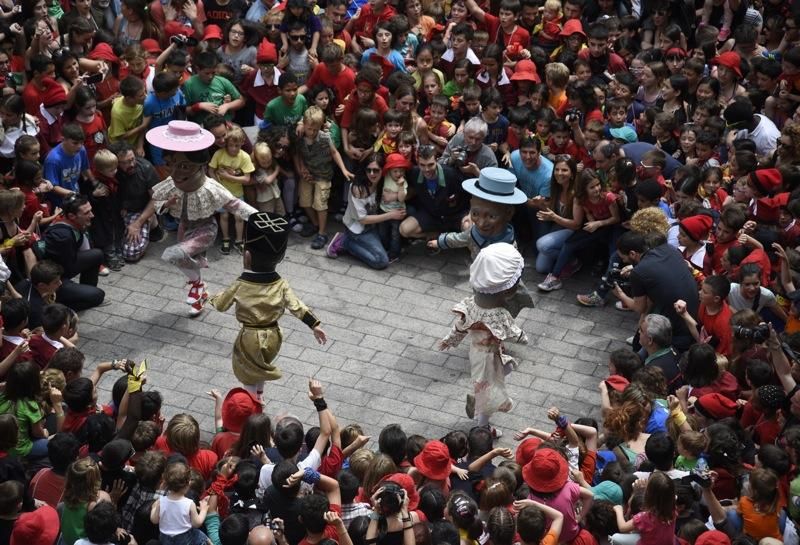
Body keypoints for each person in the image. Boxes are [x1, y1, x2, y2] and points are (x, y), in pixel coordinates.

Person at [128, 121, 256, 317]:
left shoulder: (210, 188)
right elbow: (157, 204)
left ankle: (197, 285)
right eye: (170, 164)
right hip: (184, 227)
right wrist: (167, 205)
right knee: (187, 261)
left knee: (173, 255)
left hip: (205, 228)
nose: (176, 172)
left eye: (184, 166)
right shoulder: (171, 183)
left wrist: (260, 218)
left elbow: (234, 204)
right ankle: (199, 296)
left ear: (199, 166)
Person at [210, 211, 328, 398]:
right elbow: (296, 305)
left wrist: (210, 297)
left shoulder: (241, 284)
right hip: (273, 336)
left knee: (248, 374)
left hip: (250, 337)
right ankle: (260, 395)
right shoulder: (280, 284)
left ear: (246, 255)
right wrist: (315, 324)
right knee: (261, 367)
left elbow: (221, 305)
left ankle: (253, 407)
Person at [438, 243, 528, 435]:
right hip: (489, 357)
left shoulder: (471, 304)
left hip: (477, 351)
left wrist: (449, 340)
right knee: (489, 394)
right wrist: (523, 338)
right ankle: (482, 428)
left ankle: (478, 397)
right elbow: (514, 333)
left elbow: (459, 326)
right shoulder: (499, 313)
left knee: (503, 372)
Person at [613, 231, 700, 352]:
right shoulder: (669, 249)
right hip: (693, 317)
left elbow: (639, 308)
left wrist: (620, 294)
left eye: (624, 258)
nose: (625, 262)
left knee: (638, 346)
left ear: (632, 253)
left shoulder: (639, 272)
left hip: (676, 330)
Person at [42, 193, 106, 311]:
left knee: (97, 255)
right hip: (54, 279)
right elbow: (64, 269)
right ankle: (58, 307)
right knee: (98, 296)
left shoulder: (72, 224)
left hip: (65, 265)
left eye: (90, 211)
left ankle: (84, 289)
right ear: (71, 216)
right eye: (86, 213)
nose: (92, 215)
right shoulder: (62, 237)